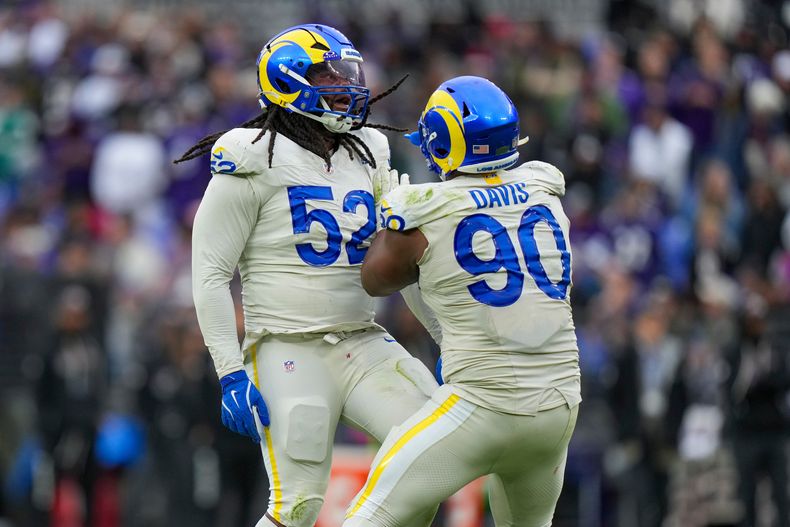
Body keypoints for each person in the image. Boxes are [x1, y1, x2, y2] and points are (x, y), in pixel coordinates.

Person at [179, 24, 438, 527]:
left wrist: (444, 338)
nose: (346, 86)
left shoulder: (368, 152)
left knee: (433, 458)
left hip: (364, 341)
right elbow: (210, 273)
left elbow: (402, 262)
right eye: (328, 75)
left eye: (347, 75)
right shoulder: (252, 154)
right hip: (288, 346)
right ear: (288, 81)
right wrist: (230, 371)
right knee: (296, 507)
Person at [344, 76, 582, 527]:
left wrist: (385, 217)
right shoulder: (545, 191)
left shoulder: (422, 209)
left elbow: (375, 280)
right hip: (558, 408)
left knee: (370, 516)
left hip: (481, 409)